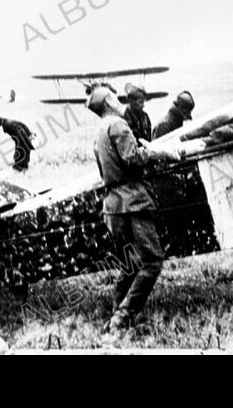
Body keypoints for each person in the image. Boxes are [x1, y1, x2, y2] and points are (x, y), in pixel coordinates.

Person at [87, 85, 181, 335]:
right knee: (151, 261)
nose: (120, 100)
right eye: (115, 96)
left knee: (130, 264)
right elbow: (132, 158)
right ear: (108, 100)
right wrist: (158, 151)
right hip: (132, 203)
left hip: (113, 206)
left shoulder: (99, 132)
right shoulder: (117, 124)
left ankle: (116, 317)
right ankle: (122, 317)